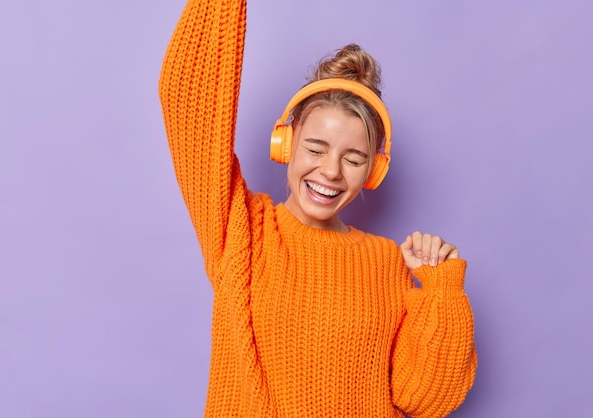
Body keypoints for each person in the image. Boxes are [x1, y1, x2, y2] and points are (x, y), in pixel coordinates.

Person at [158, 0, 477, 417]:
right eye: (315, 147)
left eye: (354, 158)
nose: (330, 171)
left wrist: (443, 291)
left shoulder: (387, 262)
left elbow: (425, 400)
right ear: (286, 145)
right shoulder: (241, 230)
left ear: (374, 170)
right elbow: (187, 97)